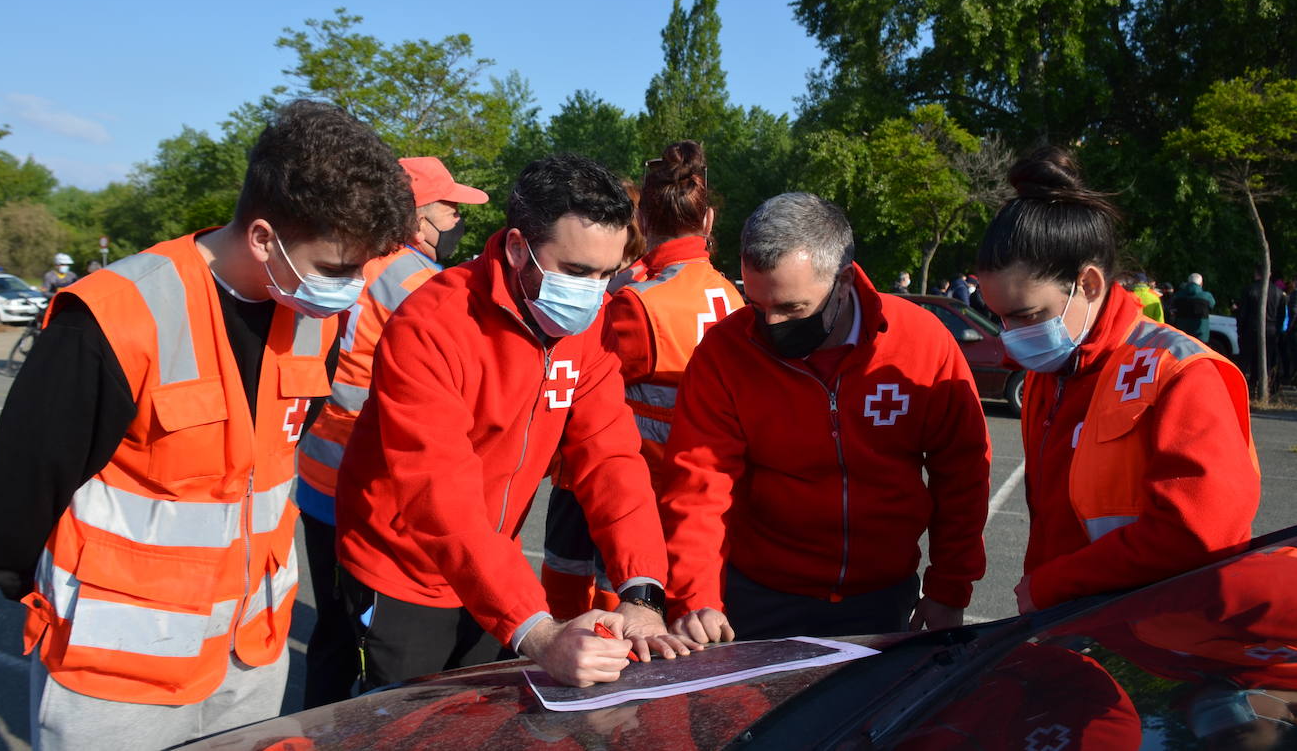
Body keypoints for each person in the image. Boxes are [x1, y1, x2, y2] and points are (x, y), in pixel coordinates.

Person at [0, 100, 416, 751]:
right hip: (118, 673)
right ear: (264, 237)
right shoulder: (115, 315)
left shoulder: (309, 318)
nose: (350, 291)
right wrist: (35, 595)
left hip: (251, 656)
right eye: (338, 269)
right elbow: (22, 489)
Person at [334, 153, 694, 691]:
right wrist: (538, 632)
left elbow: (611, 457)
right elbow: (438, 494)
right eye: (575, 272)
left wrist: (641, 592)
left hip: (494, 572)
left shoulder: (587, 327)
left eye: (605, 274)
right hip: (405, 571)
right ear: (518, 247)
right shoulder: (431, 324)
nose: (593, 294)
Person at [659, 192, 992, 645]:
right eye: (757, 306)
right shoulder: (725, 353)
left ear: (845, 280)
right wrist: (696, 597)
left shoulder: (921, 342)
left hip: (883, 597)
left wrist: (950, 588)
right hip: (759, 596)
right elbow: (699, 484)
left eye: (793, 309)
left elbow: (962, 472)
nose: (772, 325)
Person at [973, 148, 1260, 614]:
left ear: (1087, 284)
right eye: (1001, 319)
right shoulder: (1056, 370)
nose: (1012, 339)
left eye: (1026, 316)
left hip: (1167, 652)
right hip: (1076, 629)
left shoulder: (1179, 372)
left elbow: (1201, 532)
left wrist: (1054, 585)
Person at [298, 155, 489, 708]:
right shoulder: (421, 282)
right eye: (450, 207)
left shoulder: (350, 261)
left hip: (318, 468)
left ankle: (316, 727)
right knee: (367, 639)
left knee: (332, 629)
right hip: (367, 480)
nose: (457, 218)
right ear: (416, 214)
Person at [540, 141, 745, 620]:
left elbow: (579, 389)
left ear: (644, 222)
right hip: (698, 494)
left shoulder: (634, 301)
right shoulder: (734, 297)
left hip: (623, 493)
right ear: (709, 220)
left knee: (595, 615)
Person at [1237, 266, 1283, 389]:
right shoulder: (1278, 292)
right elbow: (1281, 316)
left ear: (1256, 274)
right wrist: (1277, 332)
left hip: (1250, 328)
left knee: (1245, 361)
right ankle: (1264, 386)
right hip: (1271, 330)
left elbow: (1242, 313)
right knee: (1265, 361)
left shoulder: (1249, 290)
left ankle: (1240, 387)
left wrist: (1240, 330)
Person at [1172, 273, 1216, 342]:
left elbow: (1173, 307)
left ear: (1188, 283)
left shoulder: (1178, 295)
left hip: (1182, 334)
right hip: (1201, 334)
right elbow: (1212, 306)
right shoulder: (1207, 296)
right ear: (1201, 283)